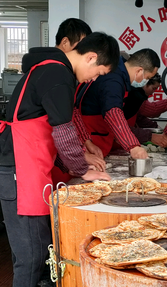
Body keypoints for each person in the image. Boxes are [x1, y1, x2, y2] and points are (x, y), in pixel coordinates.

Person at [0, 31, 119, 287]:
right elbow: (62, 130)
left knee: (37, 247)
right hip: (20, 169)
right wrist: (82, 169)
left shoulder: (50, 69)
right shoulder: (58, 75)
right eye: (98, 72)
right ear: (90, 57)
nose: (94, 79)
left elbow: (51, 132)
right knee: (29, 256)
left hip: (29, 165)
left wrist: (77, 160)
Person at [78, 48, 167, 157]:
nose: (145, 81)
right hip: (91, 136)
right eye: (147, 77)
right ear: (139, 71)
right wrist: (132, 146)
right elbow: (113, 113)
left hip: (98, 137)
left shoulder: (120, 75)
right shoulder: (113, 80)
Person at [52, 18, 106, 188]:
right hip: (39, 155)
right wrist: (81, 161)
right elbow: (61, 126)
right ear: (65, 42)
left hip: (57, 156)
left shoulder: (67, 75)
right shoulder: (54, 73)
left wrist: (87, 142)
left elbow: (72, 112)